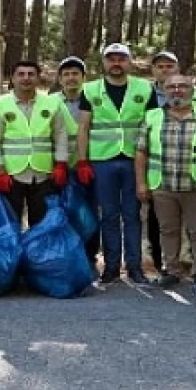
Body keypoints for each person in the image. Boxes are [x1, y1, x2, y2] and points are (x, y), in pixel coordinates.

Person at [133, 74, 196, 295]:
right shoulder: (152, 116)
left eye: (182, 86)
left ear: (192, 90)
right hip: (162, 184)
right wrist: (141, 183)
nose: (177, 90)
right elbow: (141, 152)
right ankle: (172, 271)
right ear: (164, 90)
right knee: (168, 230)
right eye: (171, 86)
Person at [76, 43, 158, 285]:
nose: (116, 63)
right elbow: (83, 127)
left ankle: (135, 267)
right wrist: (83, 160)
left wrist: (152, 160)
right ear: (103, 63)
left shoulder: (145, 88)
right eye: (111, 59)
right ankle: (111, 268)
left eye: (121, 58)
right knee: (109, 215)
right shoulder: (90, 90)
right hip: (103, 160)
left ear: (129, 62)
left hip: (135, 160)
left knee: (133, 215)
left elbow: (153, 125)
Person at [0, 61, 69, 228]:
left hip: (43, 173)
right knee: (10, 223)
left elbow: (60, 134)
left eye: (31, 74)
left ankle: (36, 254)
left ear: (38, 78)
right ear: (13, 79)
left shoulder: (52, 103)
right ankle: (14, 254)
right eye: (21, 74)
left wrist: (61, 164)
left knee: (41, 224)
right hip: (11, 174)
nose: (26, 78)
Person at [56, 56, 99, 266]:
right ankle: (67, 258)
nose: (71, 78)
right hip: (60, 167)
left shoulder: (95, 98)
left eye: (75, 74)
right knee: (63, 212)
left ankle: (90, 257)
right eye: (66, 74)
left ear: (84, 77)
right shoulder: (51, 102)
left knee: (90, 213)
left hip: (89, 166)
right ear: (60, 79)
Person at [145, 51, 180, 273]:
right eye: (160, 66)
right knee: (156, 217)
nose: (165, 70)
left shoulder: (194, 93)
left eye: (169, 66)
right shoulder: (143, 94)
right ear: (153, 70)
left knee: (192, 220)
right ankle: (161, 263)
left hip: (188, 164)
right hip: (154, 164)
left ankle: (190, 263)